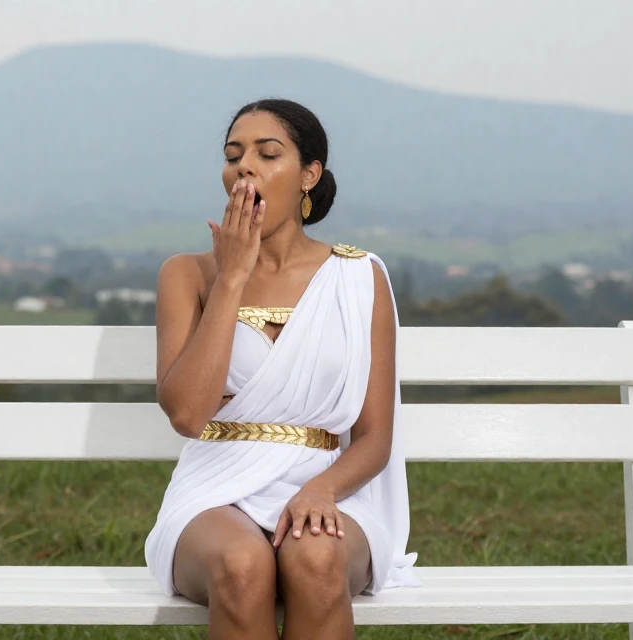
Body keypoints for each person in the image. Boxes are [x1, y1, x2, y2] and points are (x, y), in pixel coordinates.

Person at [144, 98, 420, 639]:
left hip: (327, 485)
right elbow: (185, 413)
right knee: (242, 566)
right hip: (213, 490)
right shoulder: (188, 275)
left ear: (308, 177)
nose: (243, 165)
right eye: (233, 155)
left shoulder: (360, 277)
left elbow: (372, 438)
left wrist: (321, 491)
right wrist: (231, 278)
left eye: (267, 154)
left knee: (315, 560)